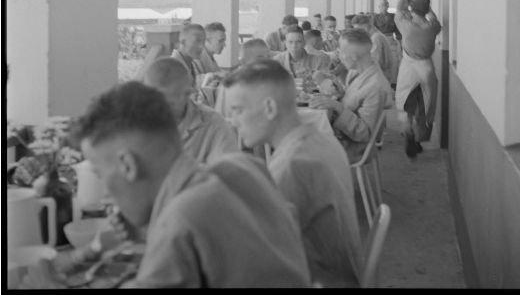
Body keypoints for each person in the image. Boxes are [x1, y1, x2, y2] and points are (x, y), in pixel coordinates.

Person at [23, 81, 312, 289]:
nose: (107, 194)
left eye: (101, 174)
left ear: (128, 166)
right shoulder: (244, 168)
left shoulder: (180, 221)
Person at [223, 60, 363, 288]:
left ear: (269, 108)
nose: (234, 122)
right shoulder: (320, 139)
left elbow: (260, 255)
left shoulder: (293, 165)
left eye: (238, 110)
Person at [310, 28, 393, 163]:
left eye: (341, 51)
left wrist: (337, 106)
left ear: (353, 57)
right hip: (340, 136)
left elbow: (364, 133)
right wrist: (340, 93)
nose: (338, 56)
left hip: (352, 147)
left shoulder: (375, 87)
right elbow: (353, 101)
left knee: (296, 148)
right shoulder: (357, 72)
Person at [143, 57, 238, 164]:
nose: (159, 107)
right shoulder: (134, 125)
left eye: (170, 103)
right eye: (152, 100)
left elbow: (229, 174)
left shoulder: (214, 126)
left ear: (188, 94)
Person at [394, 0, 441, 160]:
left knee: (405, 104)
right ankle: (419, 141)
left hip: (408, 68)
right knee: (425, 105)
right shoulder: (432, 27)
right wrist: (426, 5)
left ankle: (408, 134)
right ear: (426, 9)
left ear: (412, 9)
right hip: (426, 69)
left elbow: (398, 10)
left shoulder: (406, 26)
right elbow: (433, 18)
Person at [351, 14, 394, 84]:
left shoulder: (376, 38)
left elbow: (373, 62)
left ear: (365, 27)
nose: (357, 33)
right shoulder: (374, 36)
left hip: (380, 78)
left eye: (358, 30)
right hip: (380, 76)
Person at [373, 0, 402, 87]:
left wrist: (400, 45)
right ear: (379, 7)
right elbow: (372, 29)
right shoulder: (375, 17)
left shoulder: (393, 16)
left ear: (388, 6)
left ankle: (392, 83)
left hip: (390, 39)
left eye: (386, 5)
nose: (384, 7)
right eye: (382, 5)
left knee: (394, 61)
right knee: (379, 59)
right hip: (378, 39)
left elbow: (398, 31)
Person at [171, 23, 206, 87]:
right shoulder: (172, 68)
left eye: (203, 42)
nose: (202, 46)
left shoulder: (191, 64)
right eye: (197, 41)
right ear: (183, 42)